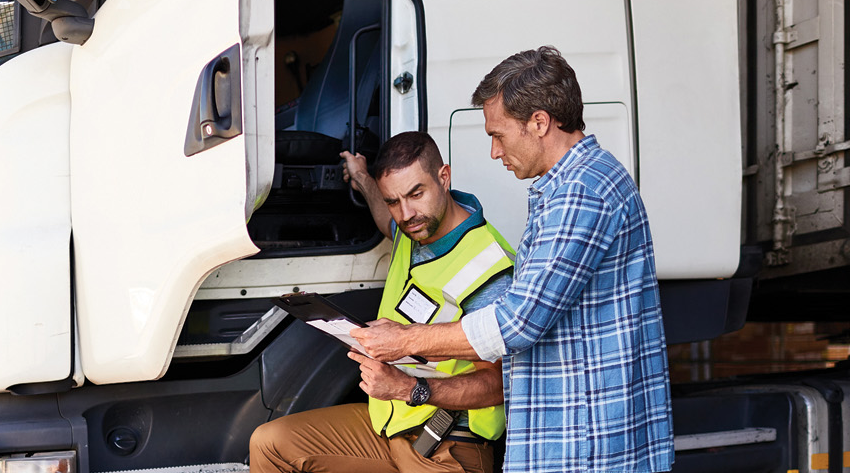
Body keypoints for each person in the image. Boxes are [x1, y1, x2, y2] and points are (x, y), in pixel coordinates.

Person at [349, 46, 673, 473]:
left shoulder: (581, 194)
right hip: (573, 435)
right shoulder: (570, 186)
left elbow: (517, 323)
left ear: (539, 122)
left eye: (497, 135)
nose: (494, 152)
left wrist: (403, 340)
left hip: (586, 443)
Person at [248, 131, 514, 473]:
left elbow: (498, 386)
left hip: (449, 444)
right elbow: (385, 220)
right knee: (269, 444)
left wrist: (409, 388)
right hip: (390, 427)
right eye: (394, 200)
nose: (406, 213)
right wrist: (362, 178)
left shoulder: (488, 267)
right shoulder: (413, 227)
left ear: (444, 177)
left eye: (416, 194)